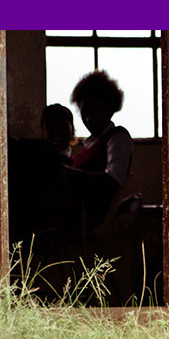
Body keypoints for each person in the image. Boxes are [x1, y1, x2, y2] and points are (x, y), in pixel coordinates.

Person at [61, 70, 133, 229]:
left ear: (109, 109)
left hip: (87, 214)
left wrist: (70, 174)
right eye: (83, 112)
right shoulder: (89, 146)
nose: (87, 118)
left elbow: (113, 180)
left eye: (94, 110)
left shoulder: (118, 137)